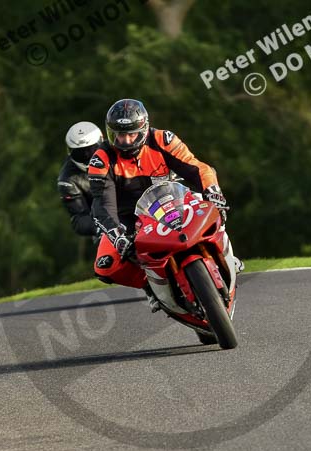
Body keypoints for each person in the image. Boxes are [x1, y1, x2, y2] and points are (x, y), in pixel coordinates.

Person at [88, 98, 240, 311]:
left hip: (172, 199)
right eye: (119, 135)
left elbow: (198, 168)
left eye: (132, 134)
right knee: (105, 265)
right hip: (130, 216)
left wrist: (213, 192)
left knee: (212, 209)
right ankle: (150, 286)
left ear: (144, 129)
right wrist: (117, 235)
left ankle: (225, 255)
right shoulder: (101, 159)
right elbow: (103, 204)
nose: (126, 141)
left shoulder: (163, 139)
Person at [57, 121, 103, 239]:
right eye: (80, 153)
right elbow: (79, 217)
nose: (87, 155)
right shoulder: (67, 181)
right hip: (106, 226)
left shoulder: (118, 153)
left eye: (91, 150)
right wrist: (102, 228)